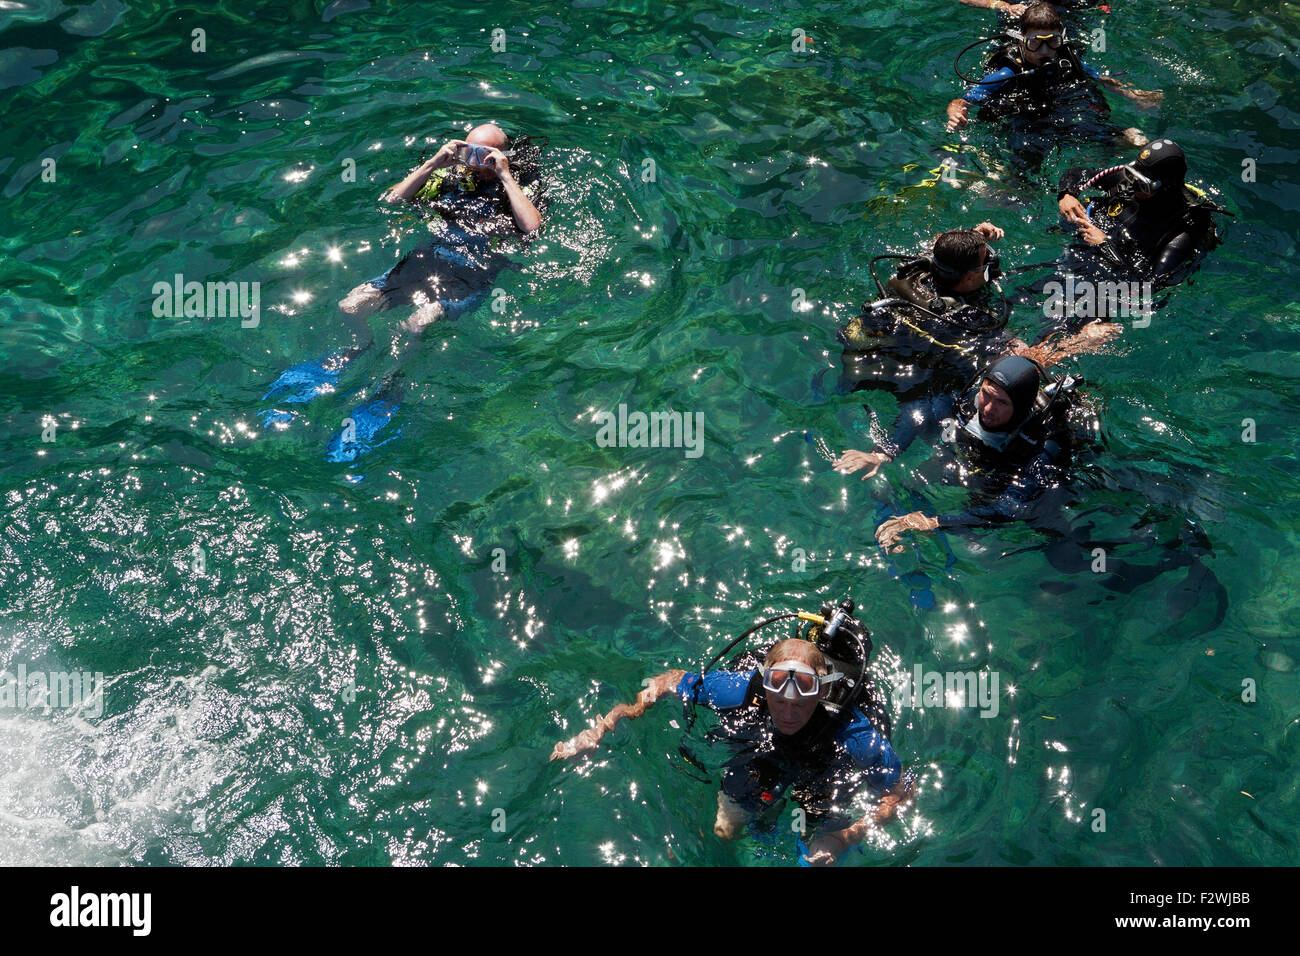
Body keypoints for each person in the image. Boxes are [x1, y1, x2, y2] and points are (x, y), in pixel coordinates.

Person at [551, 626, 912, 866]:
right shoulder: (741, 688)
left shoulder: (853, 731)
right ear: (764, 684)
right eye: (779, 700)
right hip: (763, 751)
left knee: (815, 846)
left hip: (824, 764)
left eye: (801, 703)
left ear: (821, 692)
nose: (789, 713)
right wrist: (603, 726)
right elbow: (665, 682)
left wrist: (843, 838)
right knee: (725, 831)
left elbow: (901, 791)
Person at [837, 222, 1119, 400]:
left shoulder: (914, 273)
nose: (992, 264)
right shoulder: (966, 320)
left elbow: (941, 242)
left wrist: (972, 238)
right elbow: (1024, 361)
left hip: (874, 343)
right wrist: (1080, 342)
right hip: (916, 377)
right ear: (971, 277)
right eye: (986, 262)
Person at [833, 355, 1088, 551]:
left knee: (989, 548)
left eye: (1001, 403)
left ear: (1020, 407)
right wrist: (883, 452)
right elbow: (920, 413)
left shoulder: (1041, 444)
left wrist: (935, 522)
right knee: (900, 486)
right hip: (972, 461)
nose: (987, 409)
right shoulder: (969, 402)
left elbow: (1010, 507)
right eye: (986, 394)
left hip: (1011, 478)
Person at [945, 3, 1159, 169]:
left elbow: (1098, 77)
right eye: (1035, 43)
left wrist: (1132, 94)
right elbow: (961, 101)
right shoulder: (1007, 73)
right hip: (1021, 114)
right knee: (1025, 158)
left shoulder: (1066, 58)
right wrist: (956, 113)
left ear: (1061, 39)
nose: (1045, 50)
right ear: (1021, 41)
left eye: (1053, 42)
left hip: (1059, 104)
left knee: (1124, 139)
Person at [1056, 138, 1223, 285]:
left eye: (1143, 184)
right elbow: (1078, 173)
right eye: (1132, 175)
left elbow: (1149, 284)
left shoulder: (1184, 230)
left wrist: (1104, 245)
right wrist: (1067, 194)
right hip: (1082, 251)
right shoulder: (1128, 182)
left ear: (1166, 187)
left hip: (1111, 279)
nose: (1134, 186)